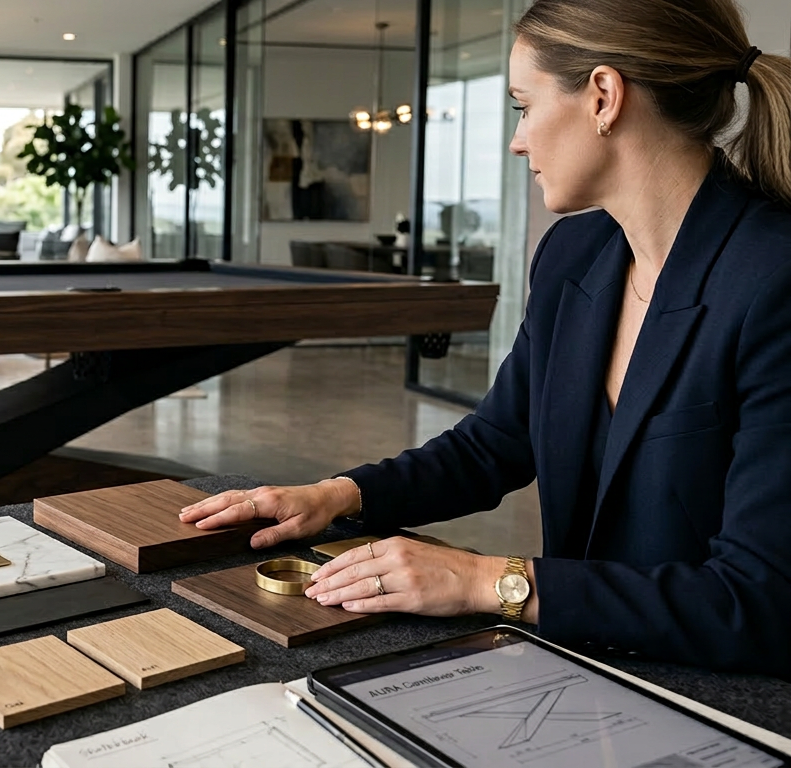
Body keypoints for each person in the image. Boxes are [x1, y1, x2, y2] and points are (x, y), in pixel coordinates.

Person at [182, 0, 791, 677]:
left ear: (603, 96)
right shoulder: (574, 256)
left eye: (522, 107)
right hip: (587, 673)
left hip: (729, 697)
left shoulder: (775, 281)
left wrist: (484, 581)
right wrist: (335, 497)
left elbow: (761, 602)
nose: (517, 141)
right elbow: (495, 444)